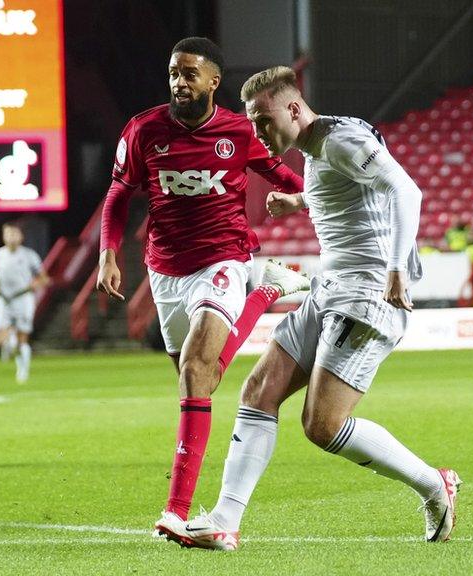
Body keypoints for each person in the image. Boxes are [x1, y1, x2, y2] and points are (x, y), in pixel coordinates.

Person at [170, 66, 461, 550]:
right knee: (258, 390)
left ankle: (435, 485)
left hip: (367, 294)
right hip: (330, 289)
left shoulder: (339, 140)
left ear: (292, 108)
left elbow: (405, 190)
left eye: (263, 122)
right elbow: (353, 191)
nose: (258, 134)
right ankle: (224, 520)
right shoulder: (317, 145)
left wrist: (395, 269)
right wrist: (302, 201)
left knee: (322, 425)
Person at [94, 37, 311, 535]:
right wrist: (109, 256)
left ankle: (175, 509)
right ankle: (266, 293)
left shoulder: (238, 132)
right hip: (165, 270)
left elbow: (287, 176)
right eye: (174, 72)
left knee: (196, 369)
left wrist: (310, 200)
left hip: (223, 258)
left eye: (190, 74)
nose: (179, 81)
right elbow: (118, 194)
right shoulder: (144, 129)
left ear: (214, 81)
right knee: (201, 380)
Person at [0, 221, 50, 383]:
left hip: (23, 299)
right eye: (8, 234)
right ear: (4, 236)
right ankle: (10, 338)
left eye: (14, 234)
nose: (11, 237)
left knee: (22, 338)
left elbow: (44, 278)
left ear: (21, 237)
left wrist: (35, 283)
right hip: (4, 299)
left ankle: (23, 370)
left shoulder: (29, 255)